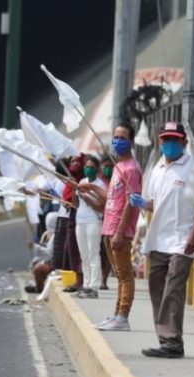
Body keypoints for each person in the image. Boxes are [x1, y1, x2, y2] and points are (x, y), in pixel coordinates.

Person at [129, 121, 194, 358]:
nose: (170, 143)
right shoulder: (157, 169)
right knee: (157, 288)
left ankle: (173, 342)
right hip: (158, 239)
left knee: (174, 288)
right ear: (160, 141)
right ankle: (165, 338)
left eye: (175, 139)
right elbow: (154, 202)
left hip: (182, 240)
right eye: (166, 139)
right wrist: (142, 203)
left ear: (184, 142)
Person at [80, 122, 142, 331]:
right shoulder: (118, 167)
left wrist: (120, 232)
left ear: (131, 142)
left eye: (123, 138)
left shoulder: (131, 169)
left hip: (119, 230)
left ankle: (123, 317)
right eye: (115, 137)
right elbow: (112, 197)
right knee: (119, 275)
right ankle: (116, 315)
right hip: (108, 227)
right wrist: (91, 188)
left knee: (125, 275)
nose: (117, 141)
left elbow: (131, 201)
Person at [74, 155, 107, 299]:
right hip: (80, 221)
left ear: (97, 169)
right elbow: (75, 203)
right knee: (84, 255)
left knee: (93, 253)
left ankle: (93, 287)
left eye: (91, 167)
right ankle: (86, 284)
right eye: (86, 167)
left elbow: (101, 207)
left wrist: (87, 197)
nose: (88, 169)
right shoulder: (82, 182)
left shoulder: (100, 185)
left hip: (93, 221)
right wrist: (75, 191)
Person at [62, 155, 86, 293]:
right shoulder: (69, 181)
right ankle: (78, 280)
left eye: (78, 161)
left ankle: (86, 281)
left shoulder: (85, 180)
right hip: (73, 219)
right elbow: (67, 201)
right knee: (73, 249)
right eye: (72, 161)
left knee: (85, 250)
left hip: (87, 219)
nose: (75, 164)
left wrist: (76, 189)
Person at [26, 212, 59, 294]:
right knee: (35, 262)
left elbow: (49, 254)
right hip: (52, 261)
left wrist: (33, 246)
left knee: (38, 269)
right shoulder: (48, 234)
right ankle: (40, 285)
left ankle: (39, 289)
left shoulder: (55, 236)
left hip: (57, 264)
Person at [98, 156, 115, 290]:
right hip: (96, 219)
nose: (108, 169)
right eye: (106, 166)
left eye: (111, 166)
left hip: (110, 220)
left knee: (106, 251)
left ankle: (104, 280)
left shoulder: (117, 181)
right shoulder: (97, 182)